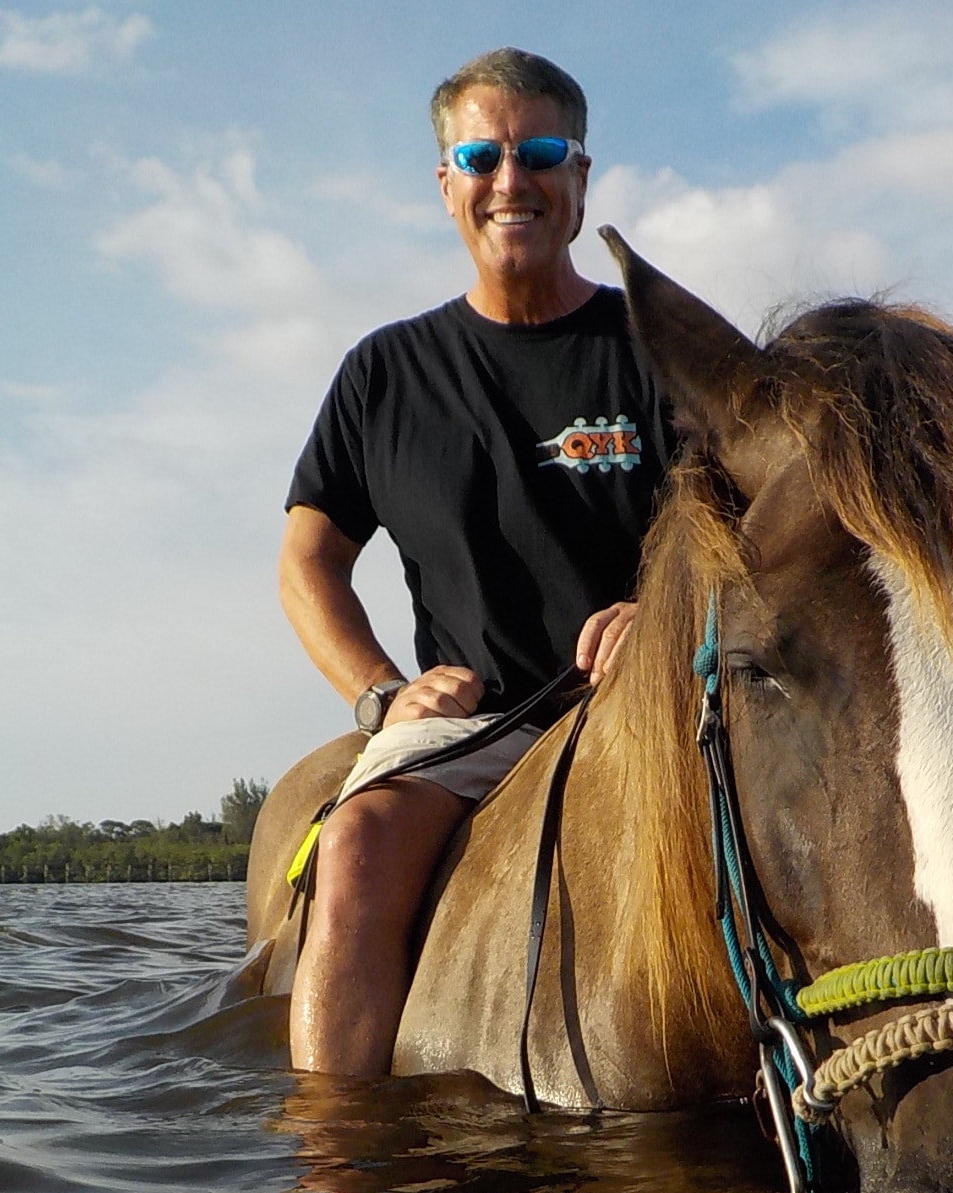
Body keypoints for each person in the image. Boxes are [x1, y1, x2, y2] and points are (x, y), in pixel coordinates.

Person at [278, 48, 675, 1076]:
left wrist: (662, 612)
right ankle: (340, 1187)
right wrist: (378, 697)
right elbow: (307, 561)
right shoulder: (382, 372)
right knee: (357, 848)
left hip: (650, 710)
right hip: (475, 728)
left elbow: (755, 536)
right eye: (482, 155)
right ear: (446, 182)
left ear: (580, 179)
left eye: (541, 152)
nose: (514, 180)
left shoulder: (664, 351)